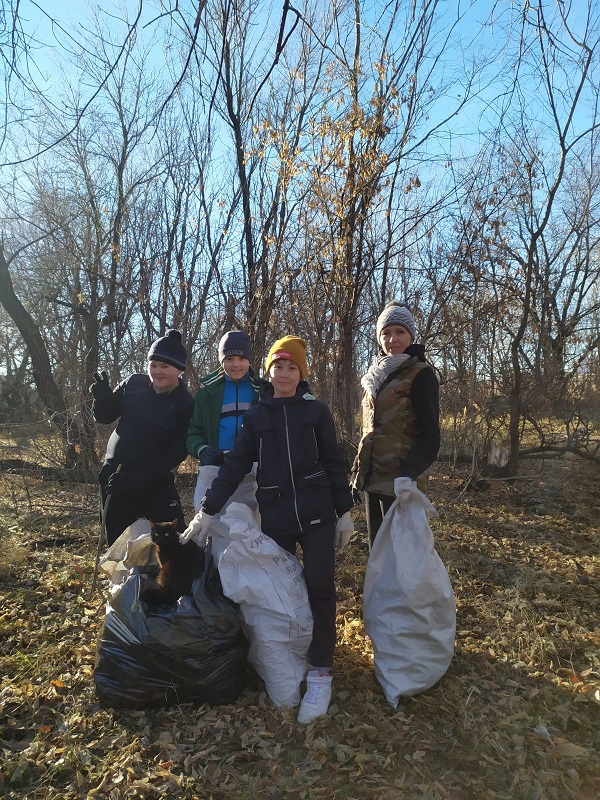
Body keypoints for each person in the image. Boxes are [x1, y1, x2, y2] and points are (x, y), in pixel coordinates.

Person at [185, 335, 354, 724]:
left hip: (316, 516)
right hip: (276, 518)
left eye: (292, 367)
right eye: (278, 366)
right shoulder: (257, 417)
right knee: (278, 595)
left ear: (301, 374)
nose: (284, 373)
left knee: (320, 588)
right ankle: (288, 659)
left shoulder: (316, 413)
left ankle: (321, 671)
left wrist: (344, 510)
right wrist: (207, 511)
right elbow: (235, 466)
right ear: (269, 372)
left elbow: (334, 461)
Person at [90, 329, 195, 546]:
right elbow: (105, 416)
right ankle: (122, 580)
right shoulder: (134, 383)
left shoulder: (186, 404)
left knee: (174, 542)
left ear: (179, 370)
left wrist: (137, 479)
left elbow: (177, 452)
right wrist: (101, 397)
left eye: (165, 366)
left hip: (154, 481)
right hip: (115, 476)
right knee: (118, 543)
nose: (157, 371)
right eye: (153, 364)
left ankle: (169, 579)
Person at [352, 302, 440, 548]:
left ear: (411, 335)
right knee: (377, 551)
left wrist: (409, 474)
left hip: (401, 483)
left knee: (402, 557)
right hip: (373, 480)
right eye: (386, 333)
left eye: (399, 332)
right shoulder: (375, 376)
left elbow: (431, 435)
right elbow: (370, 430)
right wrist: (357, 469)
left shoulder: (420, 375)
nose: (392, 339)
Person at [186, 330, 261, 511]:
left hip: (254, 472)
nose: (236, 365)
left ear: (250, 360)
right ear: (221, 361)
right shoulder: (207, 395)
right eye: (229, 359)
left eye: (241, 359)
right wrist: (203, 450)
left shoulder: (263, 392)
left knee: (251, 532)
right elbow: (193, 434)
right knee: (211, 529)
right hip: (215, 471)